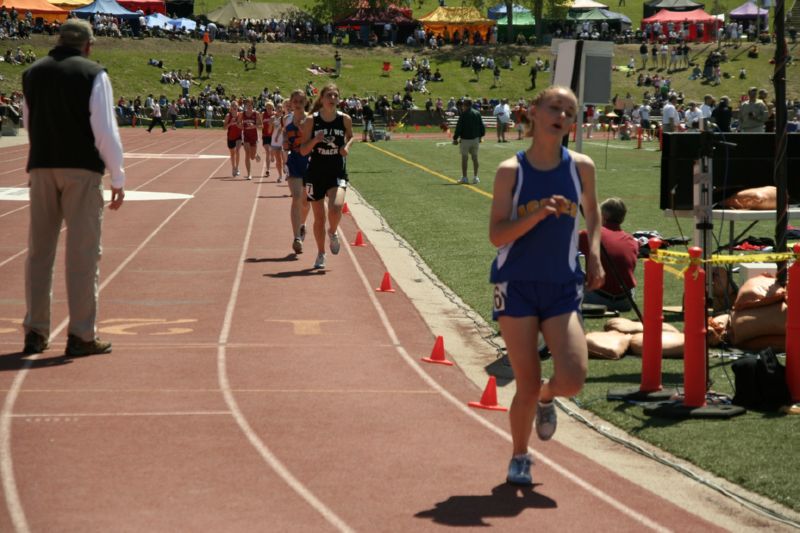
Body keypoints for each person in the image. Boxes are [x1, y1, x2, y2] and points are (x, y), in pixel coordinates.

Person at [488, 85, 604, 486]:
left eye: (570, 111)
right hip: (516, 283)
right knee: (526, 380)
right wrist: (536, 216)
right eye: (554, 107)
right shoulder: (511, 172)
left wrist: (595, 255)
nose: (562, 115)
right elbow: (497, 235)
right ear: (533, 112)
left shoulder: (581, 167)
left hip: (561, 283)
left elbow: (593, 215)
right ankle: (520, 455)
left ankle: (548, 397)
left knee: (572, 378)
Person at [21, 19, 126, 356]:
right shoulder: (93, 74)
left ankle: (36, 331)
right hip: (81, 169)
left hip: (41, 165)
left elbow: (28, 121)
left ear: (59, 41)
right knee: (82, 255)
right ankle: (80, 334)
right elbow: (105, 130)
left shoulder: (33, 73)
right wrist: (118, 175)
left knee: (39, 252)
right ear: (88, 45)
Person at [299, 83, 354, 270]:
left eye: (335, 96)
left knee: (336, 207)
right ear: (321, 99)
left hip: (336, 170)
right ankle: (321, 253)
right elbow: (303, 150)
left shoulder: (344, 119)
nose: (332, 99)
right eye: (329, 95)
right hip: (315, 173)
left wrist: (346, 146)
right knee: (319, 218)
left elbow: (351, 136)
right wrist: (315, 140)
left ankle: (333, 232)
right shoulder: (311, 121)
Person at [578, 198, 638, 312]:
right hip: (625, 302)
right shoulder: (632, 241)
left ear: (603, 215)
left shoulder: (587, 234)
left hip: (596, 299)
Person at [283, 89, 311, 255]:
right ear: (291, 103)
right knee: (296, 197)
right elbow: (285, 140)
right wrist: (285, 146)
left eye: (301, 101)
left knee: (306, 202)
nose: (298, 104)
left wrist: (304, 131)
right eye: (295, 101)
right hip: (294, 161)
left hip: (310, 162)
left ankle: (302, 225)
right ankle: (296, 238)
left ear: (305, 102)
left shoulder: (311, 120)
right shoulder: (286, 120)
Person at [452, 98, 485, 184]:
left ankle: (465, 177)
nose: (462, 106)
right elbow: (482, 126)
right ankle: (475, 177)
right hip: (475, 139)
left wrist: (455, 138)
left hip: (465, 140)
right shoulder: (477, 113)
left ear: (466, 105)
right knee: (475, 158)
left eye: (463, 105)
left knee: (464, 159)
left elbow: (459, 128)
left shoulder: (463, 114)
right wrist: (481, 136)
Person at [239, 98, 261, 180]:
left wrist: (254, 126)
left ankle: (255, 154)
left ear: (252, 105)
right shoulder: (242, 114)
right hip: (246, 136)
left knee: (252, 157)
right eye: (247, 105)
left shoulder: (256, 114)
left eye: (250, 105)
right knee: (247, 154)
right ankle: (249, 174)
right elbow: (238, 123)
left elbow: (261, 126)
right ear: (245, 106)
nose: (249, 106)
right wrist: (240, 126)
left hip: (254, 136)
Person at [223, 100, 242, 177]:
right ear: (231, 108)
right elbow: (224, 128)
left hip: (238, 136)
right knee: (232, 153)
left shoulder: (240, 115)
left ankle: (237, 168)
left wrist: (238, 124)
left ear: (238, 107)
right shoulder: (228, 116)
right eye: (233, 106)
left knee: (237, 151)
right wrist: (230, 123)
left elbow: (242, 126)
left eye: (236, 106)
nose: (235, 108)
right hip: (230, 137)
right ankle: (233, 167)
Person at [270, 103, 287, 183]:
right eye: (278, 108)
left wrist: (278, 134)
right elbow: (269, 131)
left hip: (283, 141)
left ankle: (285, 168)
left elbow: (284, 128)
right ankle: (280, 176)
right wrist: (271, 125)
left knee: (284, 159)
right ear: (275, 110)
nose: (279, 110)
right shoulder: (272, 118)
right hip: (275, 141)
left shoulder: (284, 118)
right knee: (278, 160)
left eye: (281, 108)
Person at [261, 101, 274, 177]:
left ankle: (272, 155)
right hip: (265, 135)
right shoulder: (263, 115)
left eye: (270, 108)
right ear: (265, 108)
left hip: (273, 136)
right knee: (267, 151)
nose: (269, 109)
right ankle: (268, 169)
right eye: (267, 108)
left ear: (272, 108)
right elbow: (260, 123)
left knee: (271, 151)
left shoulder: (275, 115)